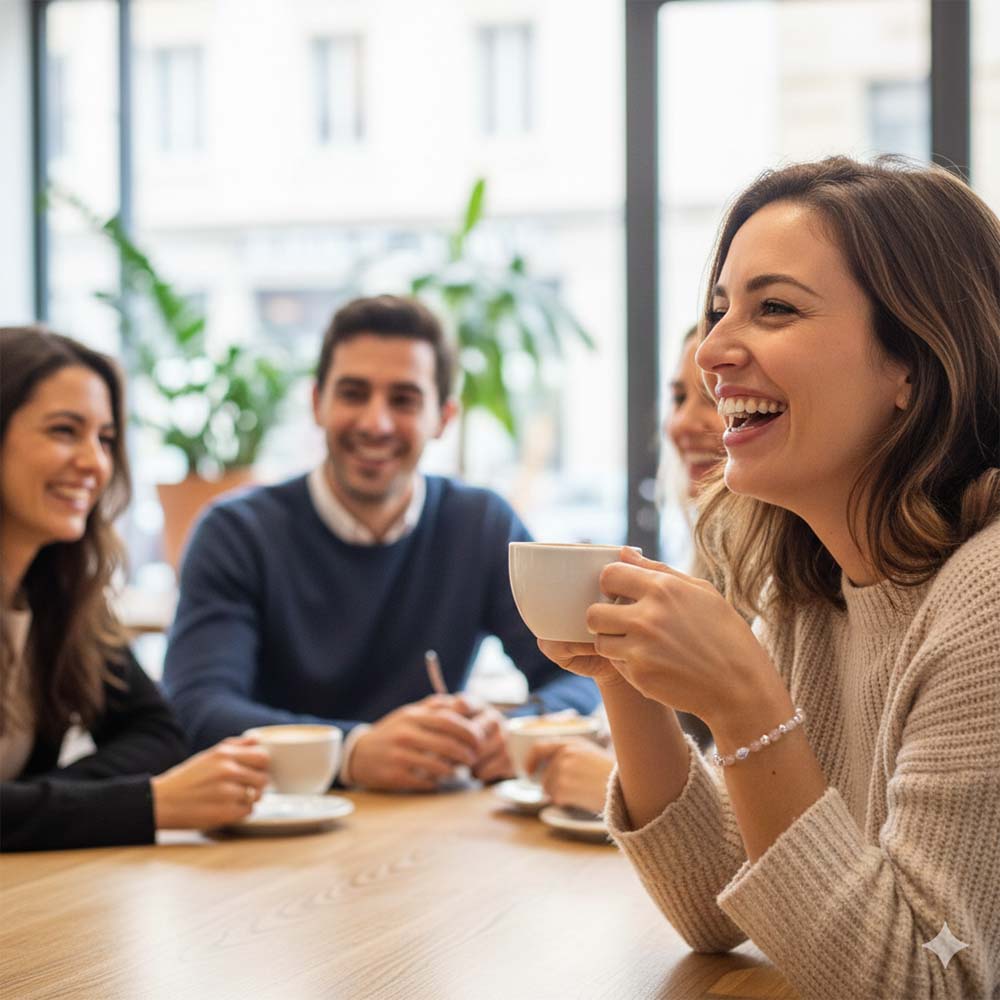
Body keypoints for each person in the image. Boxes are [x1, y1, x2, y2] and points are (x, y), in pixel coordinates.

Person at [538, 157, 1000, 998]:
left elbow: (935, 983)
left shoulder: (988, 594)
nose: (711, 353)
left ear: (913, 362)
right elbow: (731, 910)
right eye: (719, 311)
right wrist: (624, 676)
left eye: (775, 308)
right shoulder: (812, 583)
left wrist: (748, 702)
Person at [163, 295, 598, 792]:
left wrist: (518, 728)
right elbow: (198, 708)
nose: (376, 422)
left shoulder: (479, 524)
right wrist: (352, 751)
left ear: (443, 418)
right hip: (270, 828)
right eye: (353, 393)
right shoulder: (236, 533)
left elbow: (579, 673)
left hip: (431, 831)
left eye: (404, 400)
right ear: (316, 404)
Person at [0, 327, 271, 852]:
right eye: (63, 431)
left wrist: (24, 804)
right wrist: (145, 805)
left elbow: (158, 734)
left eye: (104, 438)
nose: (94, 463)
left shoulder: (60, 592)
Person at [525, 325, 723, 814]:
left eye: (716, 397)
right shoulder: (712, 566)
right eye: (678, 398)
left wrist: (612, 784)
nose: (681, 424)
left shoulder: (799, 587)